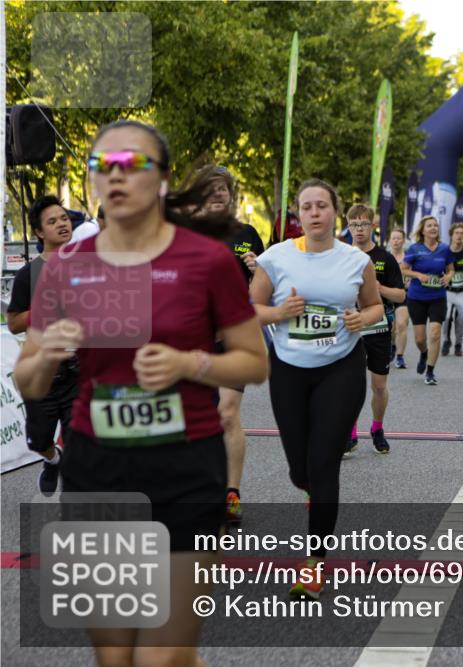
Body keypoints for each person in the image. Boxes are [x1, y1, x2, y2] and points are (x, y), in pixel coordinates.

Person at [14, 120, 269, 666]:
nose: (116, 177)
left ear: (164, 179)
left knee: (165, 656)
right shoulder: (66, 268)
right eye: (103, 166)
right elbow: (28, 380)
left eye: (133, 165)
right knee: (117, 656)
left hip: (186, 464)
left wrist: (189, 362)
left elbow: (254, 361)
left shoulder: (206, 260)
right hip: (98, 469)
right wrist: (51, 353)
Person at [251, 178, 383, 599]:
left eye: (321, 206)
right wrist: (278, 311)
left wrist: (363, 320)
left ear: (335, 213)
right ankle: (311, 488)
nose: (313, 213)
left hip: (341, 368)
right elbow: (248, 310)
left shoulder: (355, 260)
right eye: (306, 207)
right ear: (298, 214)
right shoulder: (275, 258)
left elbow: (375, 304)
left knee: (324, 463)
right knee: (299, 470)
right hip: (289, 369)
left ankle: (314, 562)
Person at [189, 165, 265, 524]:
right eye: (211, 188)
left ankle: (230, 493)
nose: (218, 193)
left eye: (224, 188)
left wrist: (256, 270)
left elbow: (265, 288)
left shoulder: (247, 233)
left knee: (227, 411)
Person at [6, 195, 79, 495]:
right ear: (38, 232)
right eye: (53, 221)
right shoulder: (28, 275)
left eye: (64, 218)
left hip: (79, 371)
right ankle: (51, 460)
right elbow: (13, 322)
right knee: (39, 439)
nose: (62, 224)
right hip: (41, 373)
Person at [346, 203, 405, 455]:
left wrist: (378, 289)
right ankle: (350, 433)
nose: (359, 229)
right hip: (350, 329)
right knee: (350, 384)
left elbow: (401, 296)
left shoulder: (385, 258)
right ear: (348, 227)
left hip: (379, 328)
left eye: (364, 224)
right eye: (354, 224)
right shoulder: (341, 256)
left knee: (378, 386)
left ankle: (377, 428)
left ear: (373, 226)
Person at [400, 215, 454, 386]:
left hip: (437, 297)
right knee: (420, 339)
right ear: (422, 230)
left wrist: (448, 277)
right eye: (429, 225)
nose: (433, 228)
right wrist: (418, 275)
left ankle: (430, 371)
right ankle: (424, 353)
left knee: (436, 334)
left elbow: (451, 269)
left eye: (435, 226)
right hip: (417, 298)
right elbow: (403, 269)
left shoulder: (445, 249)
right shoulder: (415, 249)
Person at [442, 223, 463, 357]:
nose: (459, 236)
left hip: (462, 290)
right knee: (446, 316)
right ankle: (446, 341)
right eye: (456, 233)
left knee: (461, 317)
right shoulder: (444, 251)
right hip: (447, 290)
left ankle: (459, 343)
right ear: (451, 235)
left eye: (461, 233)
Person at [388, 227, 412, 368]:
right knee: (391, 328)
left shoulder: (409, 258)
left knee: (401, 325)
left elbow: (415, 273)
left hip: (405, 295)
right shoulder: (385, 257)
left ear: (403, 241)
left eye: (398, 238)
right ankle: (392, 345)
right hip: (388, 296)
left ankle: (400, 357)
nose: (396, 241)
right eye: (394, 238)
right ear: (390, 241)